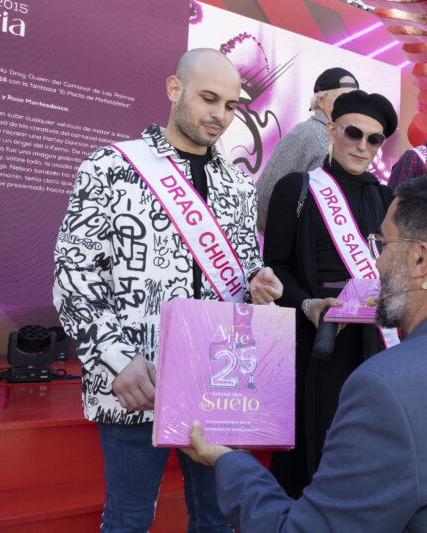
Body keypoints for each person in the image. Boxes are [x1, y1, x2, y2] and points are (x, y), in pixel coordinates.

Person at [184, 174, 427, 532]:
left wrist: (231, 462)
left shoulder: (385, 388)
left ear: (420, 259)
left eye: (383, 244)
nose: (376, 263)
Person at [52, 48, 283, 532]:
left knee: (218, 520)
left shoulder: (239, 186)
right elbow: (74, 275)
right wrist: (117, 360)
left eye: (230, 105)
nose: (220, 115)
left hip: (218, 381)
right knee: (128, 520)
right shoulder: (110, 166)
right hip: (137, 379)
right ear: (175, 89)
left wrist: (258, 281)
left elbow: (244, 265)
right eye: (208, 98)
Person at [263, 89, 398, 497]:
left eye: (374, 139)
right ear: (332, 131)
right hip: (316, 337)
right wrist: (307, 304)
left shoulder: (386, 197)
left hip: (374, 342)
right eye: (353, 133)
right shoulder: (297, 188)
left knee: (368, 447)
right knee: (312, 449)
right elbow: (277, 266)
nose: (362, 146)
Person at [255, 67, 359, 234]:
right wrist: (291, 239)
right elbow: (265, 196)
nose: (351, 105)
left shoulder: (358, 141)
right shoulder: (304, 135)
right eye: (342, 98)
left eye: (355, 99)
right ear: (321, 101)